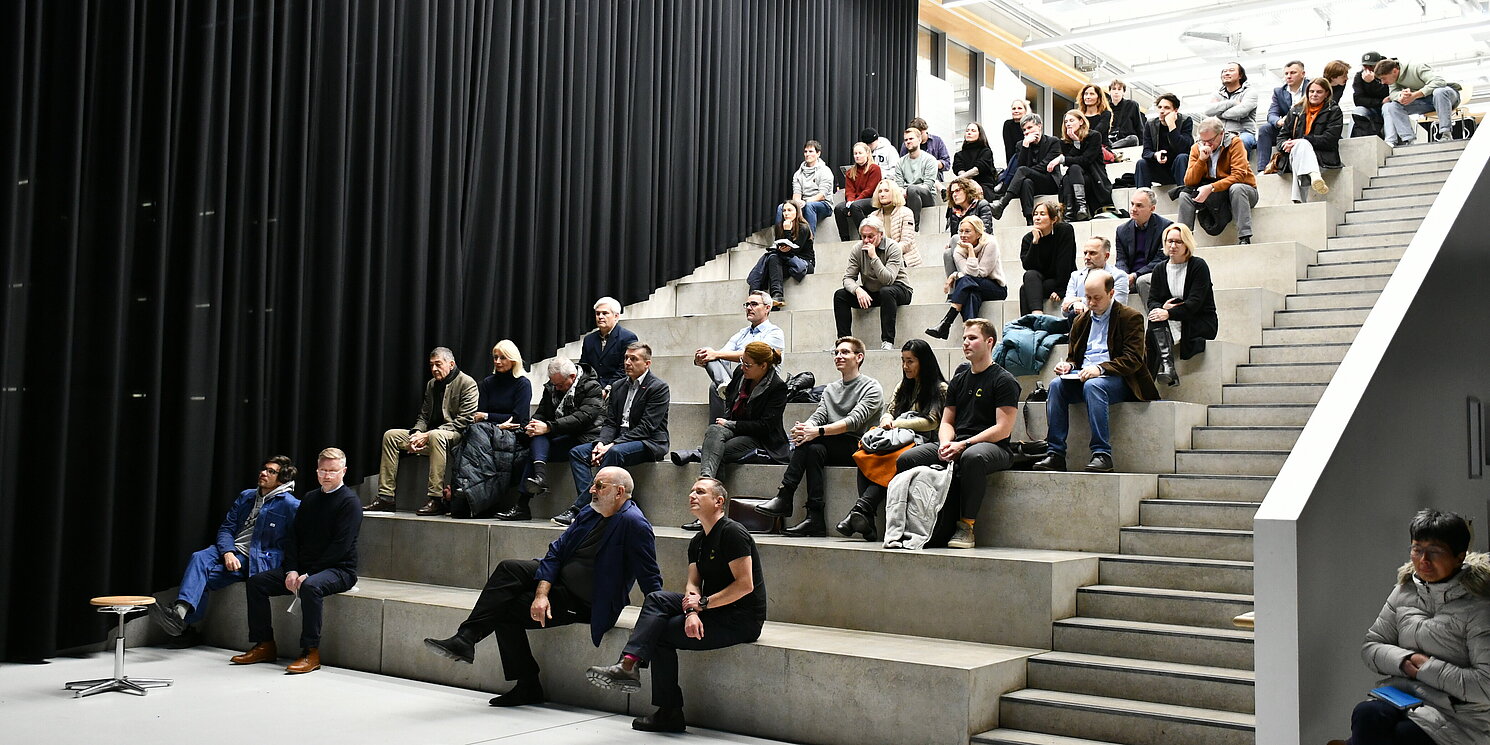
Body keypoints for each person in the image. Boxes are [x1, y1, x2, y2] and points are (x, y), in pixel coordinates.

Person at [421, 466, 663, 708]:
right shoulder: (591, 512)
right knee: (509, 568)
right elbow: (556, 552)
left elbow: (651, 581)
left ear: (620, 492)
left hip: (584, 602)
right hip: (559, 583)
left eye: (600, 486)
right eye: (594, 484)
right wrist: (541, 593)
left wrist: (655, 622)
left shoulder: (634, 525)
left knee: (504, 608)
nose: (592, 490)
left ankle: (527, 685)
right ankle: (466, 638)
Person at [584, 478, 766, 733]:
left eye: (700, 491)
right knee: (656, 598)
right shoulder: (698, 540)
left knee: (661, 633)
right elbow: (692, 583)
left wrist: (703, 604)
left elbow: (744, 585)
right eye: (691, 490)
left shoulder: (732, 532)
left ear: (719, 501)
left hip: (740, 618)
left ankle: (668, 711)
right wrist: (692, 611)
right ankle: (628, 663)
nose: (692, 494)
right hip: (711, 608)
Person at [1326, 509, 1490, 745]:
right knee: (1366, 713)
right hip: (1401, 696)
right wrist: (1405, 659)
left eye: (1434, 552)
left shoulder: (1479, 605)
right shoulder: (1403, 591)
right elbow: (1371, 646)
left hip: (1458, 714)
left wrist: (1425, 668)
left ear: (1459, 556)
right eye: (1417, 549)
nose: (1423, 560)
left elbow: (1485, 685)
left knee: (1404, 736)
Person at [230, 447, 361, 675]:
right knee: (257, 582)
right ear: (317, 470)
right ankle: (264, 645)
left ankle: (311, 652)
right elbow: (293, 538)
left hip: (339, 569)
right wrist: (291, 569)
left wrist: (310, 574)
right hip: (303, 567)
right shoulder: (310, 498)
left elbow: (341, 546)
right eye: (323, 470)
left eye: (333, 471)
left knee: (311, 586)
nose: (327, 475)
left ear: (344, 471)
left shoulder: (349, 502)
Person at [893, 319, 1020, 549]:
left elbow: (1003, 429)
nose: (965, 343)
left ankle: (966, 526)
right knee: (907, 458)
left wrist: (963, 445)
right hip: (958, 442)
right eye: (964, 338)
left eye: (972, 338)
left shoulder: (1004, 380)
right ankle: (915, 522)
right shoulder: (959, 379)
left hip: (994, 447)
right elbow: (947, 421)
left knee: (973, 457)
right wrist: (945, 443)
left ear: (989, 342)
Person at [149, 457, 300, 638]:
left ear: (282, 479)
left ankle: (184, 627)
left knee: (201, 579)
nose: (263, 473)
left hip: (253, 558)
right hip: (230, 549)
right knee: (199, 557)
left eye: (271, 471)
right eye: (264, 469)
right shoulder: (247, 496)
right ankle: (180, 616)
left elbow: (296, 540)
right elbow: (226, 528)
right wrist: (228, 552)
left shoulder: (290, 505)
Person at [755, 336, 883, 536]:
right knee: (812, 447)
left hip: (859, 445)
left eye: (845, 352)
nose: (839, 356)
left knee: (813, 440)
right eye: (836, 353)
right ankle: (815, 518)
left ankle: (786, 495)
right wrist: (806, 427)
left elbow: (854, 422)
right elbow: (820, 415)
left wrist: (817, 431)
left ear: (859, 357)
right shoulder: (831, 389)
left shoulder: (872, 387)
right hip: (831, 444)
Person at [1034, 271, 1159, 473]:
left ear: (1111, 294)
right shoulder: (1080, 321)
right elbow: (1074, 357)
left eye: (1096, 298)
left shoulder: (1130, 317)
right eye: (1087, 297)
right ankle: (1055, 453)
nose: (1091, 303)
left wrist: (1100, 368)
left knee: (1094, 385)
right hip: (1084, 376)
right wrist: (1069, 367)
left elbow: (1133, 359)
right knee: (1056, 385)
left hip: (1120, 379)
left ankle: (1102, 453)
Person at [835, 339, 946, 541]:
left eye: (910, 361)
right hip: (898, 436)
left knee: (893, 456)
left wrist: (897, 424)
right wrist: (887, 420)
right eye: (903, 361)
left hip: (926, 440)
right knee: (865, 453)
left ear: (924, 362)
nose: (905, 366)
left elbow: (932, 422)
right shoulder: (903, 385)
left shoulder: (940, 388)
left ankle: (862, 509)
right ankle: (864, 515)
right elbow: (889, 411)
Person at [559, 343, 670, 526]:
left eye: (634, 359)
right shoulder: (618, 386)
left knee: (614, 453)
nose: (627, 362)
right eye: (626, 358)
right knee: (577, 452)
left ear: (647, 364)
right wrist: (601, 443)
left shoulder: (658, 388)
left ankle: (581, 509)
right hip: (618, 440)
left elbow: (647, 427)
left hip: (649, 442)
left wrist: (612, 445)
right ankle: (596, 505)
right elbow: (610, 422)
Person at [365, 347, 479, 513]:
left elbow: (464, 420)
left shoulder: (467, 383)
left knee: (436, 435)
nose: (434, 369)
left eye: (438, 364)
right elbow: (424, 416)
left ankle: (436, 498)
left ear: (451, 364)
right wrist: (416, 434)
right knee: (391, 436)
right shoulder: (431, 385)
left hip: (456, 437)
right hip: (431, 436)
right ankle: (386, 497)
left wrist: (427, 435)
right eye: (431, 365)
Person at [671, 341, 789, 493]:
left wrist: (731, 424)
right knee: (714, 429)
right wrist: (728, 423)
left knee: (717, 451)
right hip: (735, 426)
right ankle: (707, 481)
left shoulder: (777, 387)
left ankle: (710, 492)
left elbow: (765, 426)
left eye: (748, 364)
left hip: (760, 437)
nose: (742, 367)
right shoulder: (740, 374)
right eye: (742, 362)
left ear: (763, 366)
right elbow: (730, 400)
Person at [500, 357, 604, 521]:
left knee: (540, 440)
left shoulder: (592, 386)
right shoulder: (552, 387)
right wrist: (534, 424)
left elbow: (582, 418)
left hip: (585, 436)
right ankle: (536, 483)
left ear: (572, 376)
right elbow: (542, 411)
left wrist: (548, 427)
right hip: (561, 434)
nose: (557, 388)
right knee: (537, 438)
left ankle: (526, 499)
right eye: (554, 384)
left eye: (561, 385)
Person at [444, 340, 534, 516]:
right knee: (473, 431)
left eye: (503, 358)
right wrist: (497, 422)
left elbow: (518, 420)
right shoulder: (487, 383)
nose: (498, 361)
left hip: (512, 434)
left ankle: (462, 488)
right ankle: (468, 492)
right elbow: (477, 417)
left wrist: (488, 418)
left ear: (513, 360)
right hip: (489, 432)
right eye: (495, 357)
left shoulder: (522, 384)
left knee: (474, 433)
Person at [694, 291, 785, 420]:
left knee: (716, 381)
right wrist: (703, 358)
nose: (748, 308)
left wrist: (715, 354)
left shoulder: (775, 332)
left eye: (754, 304)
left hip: (761, 381)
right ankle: (725, 388)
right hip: (741, 378)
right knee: (710, 356)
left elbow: (753, 356)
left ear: (767, 308)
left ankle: (726, 391)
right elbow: (722, 354)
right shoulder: (743, 333)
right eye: (747, 304)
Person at [1146, 224, 1217, 386]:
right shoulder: (1159, 269)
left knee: (1156, 322)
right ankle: (1167, 367)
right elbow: (1152, 300)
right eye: (1169, 241)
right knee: (1155, 316)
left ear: (1187, 244)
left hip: (1198, 320)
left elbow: (1195, 303)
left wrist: (1169, 313)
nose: (1173, 246)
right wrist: (1162, 309)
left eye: (1178, 242)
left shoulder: (1198, 266)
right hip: (1172, 318)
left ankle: (1153, 377)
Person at [833, 220, 913, 351]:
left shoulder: (893, 248)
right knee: (840, 295)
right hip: (874, 292)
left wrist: (874, 257)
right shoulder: (857, 249)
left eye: (870, 236)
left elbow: (888, 279)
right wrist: (857, 289)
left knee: (887, 291)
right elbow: (848, 278)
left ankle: (888, 341)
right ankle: (844, 341)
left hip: (899, 289)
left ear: (881, 235)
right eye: (863, 236)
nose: (866, 240)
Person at [1178, 117, 1259, 245]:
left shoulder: (1235, 143)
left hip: (1243, 192)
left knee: (1237, 188)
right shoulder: (1197, 148)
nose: (1206, 145)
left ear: (1221, 134)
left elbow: (1239, 175)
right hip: (1214, 195)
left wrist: (1211, 187)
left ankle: (1244, 237)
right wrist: (1201, 160)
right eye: (1202, 140)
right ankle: (1183, 241)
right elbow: (1189, 181)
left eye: (1210, 140)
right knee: (1184, 195)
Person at [926, 215, 1006, 339]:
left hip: (995, 288)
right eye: (961, 231)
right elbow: (968, 273)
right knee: (971, 294)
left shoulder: (990, 243)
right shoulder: (958, 249)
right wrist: (959, 271)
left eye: (967, 231)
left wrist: (969, 253)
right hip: (973, 285)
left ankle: (946, 322)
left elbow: (981, 273)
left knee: (965, 282)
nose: (963, 235)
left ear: (978, 233)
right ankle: (971, 334)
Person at [1270, 77, 1344, 204]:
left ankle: (1299, 199)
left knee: (1302, 145)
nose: (1314, 94)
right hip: (1293, 155)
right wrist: (1285, 144)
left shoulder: (1334, 111)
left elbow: (1330, 139)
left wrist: (1302, 141)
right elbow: (1281, 137)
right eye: (1311, 91)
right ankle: (1314, 175)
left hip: (1322, 155)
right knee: (1301, 146)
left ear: (1326, 93)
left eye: (1319, 92)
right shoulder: (1295, 111)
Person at [992, 113, 1062, 226]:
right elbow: (1020, 166)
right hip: (1032, 183)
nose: (1026, 132)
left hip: (1050, 182)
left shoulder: (1053, 142)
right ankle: (1029, 220)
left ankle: (1003, 203)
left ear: (1039, 126)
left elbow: (1045, 166)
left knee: (1023, 173)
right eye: (1024, 130)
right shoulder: (1021, 145)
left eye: (1030, 128)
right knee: (1026, 182)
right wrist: (1025, 146)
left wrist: (1027, 171)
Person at [1378, 57, 1463, 145]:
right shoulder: (1393, 80)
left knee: (1439, 92)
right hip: (1424, 103)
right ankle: (1409, 140)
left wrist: (1416, 95)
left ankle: (1446, 134)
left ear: (1395, 71)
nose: (1383, 82)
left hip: (1446, 97)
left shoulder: (1416, 67)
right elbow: (1393, 94)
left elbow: (1439, 82)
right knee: (1392, 106)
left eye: (1384, 78)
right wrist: (1401, 96)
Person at [1115, 187, 1175, 308]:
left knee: (1142, 281)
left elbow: (1161, 259)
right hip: (1130, 276)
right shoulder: (1121, 230)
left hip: (1154, 275)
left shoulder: (1166, 227)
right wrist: (1124, 275)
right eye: (1132, 204)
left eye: (1139, 205)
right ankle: (1116, 323)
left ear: (1152, 209)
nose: (1133, 209)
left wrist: (1136, 275)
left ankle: (1156, 322)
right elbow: (1121, 259)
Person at [1053, 110, 1117, 221]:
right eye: (1066, 121)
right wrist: (1075, 143)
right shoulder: (1064, 142)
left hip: (1094, 177)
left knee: (1073, 170)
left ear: (1081, 121)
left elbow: (1086, 160)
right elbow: (1072, 161)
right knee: (1071, 172)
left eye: (1071, 120)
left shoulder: (1094, 136)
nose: (1068, 124)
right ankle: (1078, 207)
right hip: (1076, 179)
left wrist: (1064, 158)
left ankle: (1070, 212)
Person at [752, 201, 816, 309]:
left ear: (797, 212)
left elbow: (794, 250)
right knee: (772, 258)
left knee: (771, 260)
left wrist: (787, 231)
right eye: (784, 211)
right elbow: (781, 247)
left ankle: (760, 291)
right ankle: (777, 296)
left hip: (804, 263)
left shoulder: (803, 227)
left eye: (790, 210)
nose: (786, 213)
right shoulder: (779, 227)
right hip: (787, 260)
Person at [1019, 201, 1078, 316]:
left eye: (1042, 214)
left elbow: (1065, 262)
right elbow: (1028, 266)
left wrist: (1061, 290)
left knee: (1025, 290)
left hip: (1061, 279)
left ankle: (1028, 325)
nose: (1037, 218)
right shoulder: (1028, 238)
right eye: (1035, 214)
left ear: (1054, 219)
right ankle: (1037, 314)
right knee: (1029, 276)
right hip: (1041, 280)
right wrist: (1035, 243)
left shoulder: (1064, 230)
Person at [1256, 60, 1308, 171]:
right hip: (1286, 129)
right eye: (1286, 73)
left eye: (1293, 73)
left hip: (1306, 127)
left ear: (1303, 74)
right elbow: (1271, 114)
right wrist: (1279, 122)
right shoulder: (1279, 92)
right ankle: (1262, 169)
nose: (1288, 76)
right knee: (1265, 129)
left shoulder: (1311, 88)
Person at [580, 297, 639, 392]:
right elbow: (584, 367)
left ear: (616, 316)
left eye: (605, 313)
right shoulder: (589, 339)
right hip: (592, 388)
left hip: (617, 388)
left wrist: (608, 388)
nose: (600, 316)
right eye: (597, 313)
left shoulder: (628, 337)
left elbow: (624, 369)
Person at [1135, 93, 1193, 189]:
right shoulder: (1150, 124)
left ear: (1175, 111)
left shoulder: (1185, 121)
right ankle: (1142, 197)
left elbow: (1184, 148)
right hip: (1161, 169)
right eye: (1160, 107)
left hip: (1180, 168)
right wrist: (1155, 155)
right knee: (1142, 163)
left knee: (1182, 157)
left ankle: (1184, 194)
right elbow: (1146, 152)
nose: (1162, 111)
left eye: (1166, 108)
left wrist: (1171, 126)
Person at [1063, 237, 1129, 318]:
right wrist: (1075, 305)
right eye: (1085, 253)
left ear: (1106, 256)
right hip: (1078, 323)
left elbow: (1116, 308)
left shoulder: (1119, 276)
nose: (1087, 257)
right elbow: (1064, 308)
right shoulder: (1076, 276)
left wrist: (1080, 300)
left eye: (1092, 253)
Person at [942, 176, 994, 278]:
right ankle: (954, 291)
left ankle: (966, 277)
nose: (955, 195)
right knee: (947, 253)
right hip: (963, 249)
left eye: (957, 190)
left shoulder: (982, 205)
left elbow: (984, 231)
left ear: (967, 190)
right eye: (952, 193)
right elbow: (954, 235)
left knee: (956, 239)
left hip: (981, 246)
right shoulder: (954, 211)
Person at [1202, 62, 1259, 152]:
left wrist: (1219, 112)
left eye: (1231, 70)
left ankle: (1241, 166)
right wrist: (1232, 103)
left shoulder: (1250, 92)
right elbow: (1208, 110)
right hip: (1221, 133)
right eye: (1224, 71)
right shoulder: (1217, 93)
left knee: (1242, 141)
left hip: (1242, 133)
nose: (1227, 73)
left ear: (1240, 75)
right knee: (1201, 145)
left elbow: (1242, 111)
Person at [782, 139, 835, 234]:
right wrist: (796, 203)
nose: (807, 154)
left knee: (809, 206)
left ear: (818, 154)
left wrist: (805, 202)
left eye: (811, 151)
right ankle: (780, 240)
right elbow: (796, 194)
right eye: (805, 152)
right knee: (782, 207)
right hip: (804, 203)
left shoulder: (825, 171)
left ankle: (809, 240)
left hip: (824, 204)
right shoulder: (798, 174)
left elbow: (822, 195)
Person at [834, 141, 882, 242]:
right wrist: (849, 202)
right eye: (855, 154)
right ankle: (845, 239)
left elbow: (870, 190)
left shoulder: (875, 169)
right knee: (839, 208)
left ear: (867, 154)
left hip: (871, 200)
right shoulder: (850, 172)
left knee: (856, 206)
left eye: (860, 153)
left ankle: (864, 237)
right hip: (855, 201)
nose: (857, 156)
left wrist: (853, 203)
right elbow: (849, 190)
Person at [866, 179, 922, 267]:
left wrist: (888, 252)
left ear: (894, 193)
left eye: (886, 191)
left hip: (905, 259)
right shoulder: (873, 216)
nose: (882, 194)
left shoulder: (906, 212)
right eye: (880, 191)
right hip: (882, 260)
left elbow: (906, 243)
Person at [893, 128, 939, 230]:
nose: (908, 141)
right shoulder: (900, 162)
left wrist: (908, 190)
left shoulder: (930, 160)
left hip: (927, 197)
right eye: (906, 140)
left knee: (912, 190)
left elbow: (928, 185)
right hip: (906, 196)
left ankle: (914, 227)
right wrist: (904, 191)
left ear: (919, 139)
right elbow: (899, 186)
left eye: (911, 139)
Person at [952, 121, 1000, 202]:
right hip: (966, 186)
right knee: (957, 194)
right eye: (967, 131)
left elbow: (976, 170)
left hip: (984, 186)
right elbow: (961, 173)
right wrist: (972, 183)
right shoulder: (959, 155)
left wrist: (957, 180)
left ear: (980, 134)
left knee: (976, 192)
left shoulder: (986, 152)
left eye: (973, 131)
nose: (969, 133)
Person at [1352, 52, 1391, 138]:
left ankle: (1390, 139)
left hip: (1387, 107)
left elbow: (1387, 92)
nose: (1368, 69)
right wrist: (1379, 102)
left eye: (1371, 66)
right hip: (1371, 108)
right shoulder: (1359, 76)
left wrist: (1372, 83)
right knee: (1358, 111)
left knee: (1388, 107)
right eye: (1365, 66)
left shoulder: (1387, 72)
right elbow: (1358, 99)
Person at [997, 100, 1030, 194]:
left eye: (1019, 108)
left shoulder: (1029, 124)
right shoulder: (1008, 125)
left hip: (1028, 156)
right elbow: (1009, 148)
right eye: (1014, 108)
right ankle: (1006, 180)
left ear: (1025, 111)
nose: (1016, 110)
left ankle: (1004, 181)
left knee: (1018, 153)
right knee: (1015, 156)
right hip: (1014, 159)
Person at [1107, 80, 1144, 148]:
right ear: (1109, 91)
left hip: (1126, 141)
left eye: (1119, 89)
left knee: (1133, 138)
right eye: (1114, 89)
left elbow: (1139, 126)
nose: (1116, 92)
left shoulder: (1132, 105)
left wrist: (1142, 147)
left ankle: (1111, 147)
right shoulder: (1105, 107)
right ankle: (1111, 146)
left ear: (1123, 92)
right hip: (1110, 140)